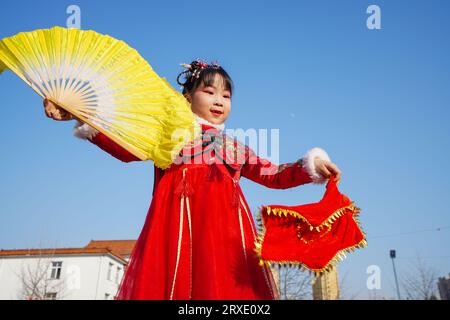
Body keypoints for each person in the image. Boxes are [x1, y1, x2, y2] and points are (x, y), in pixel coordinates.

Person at [43, 59, 341, 300]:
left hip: (229, 239)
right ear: (187, 98)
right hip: (177, 232)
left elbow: (273, 174)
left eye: (226, 95)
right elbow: (126, 148)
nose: (219, 100)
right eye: (209, 92)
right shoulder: (170, 136)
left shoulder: (234, 147)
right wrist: (80, 116)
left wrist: (311, 165)